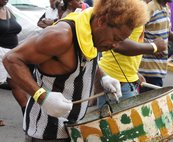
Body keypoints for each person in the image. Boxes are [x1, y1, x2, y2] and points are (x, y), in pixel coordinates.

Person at [3, 0, 150, 141]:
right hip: (46, 133)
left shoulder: (93, 34)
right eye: (116, 38)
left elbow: (87, 59)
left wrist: (103, 78)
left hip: (74, 130)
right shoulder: (61, 36)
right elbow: (11, 59)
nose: (116, 45)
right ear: (102, 22)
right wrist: (42, 97)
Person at [139, 0, 173, 92]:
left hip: (159, 68)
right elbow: (137, 35)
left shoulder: (166, 8)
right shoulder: (149, 8)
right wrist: (152, 48)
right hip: (147, 70)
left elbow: (166, 32)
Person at [0, 0, 28, 125]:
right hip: (0, 52)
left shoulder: (8, 9)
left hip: (13, 53)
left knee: (17, 84)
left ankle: (27, 116)